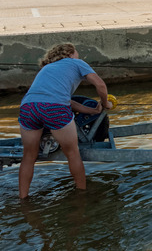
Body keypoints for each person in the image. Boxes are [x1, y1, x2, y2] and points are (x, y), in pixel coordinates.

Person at [18, 43, 111, 199]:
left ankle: (23, 199)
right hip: (54, 109)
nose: (78, 56)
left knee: (29, 156)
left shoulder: (47, 69)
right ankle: (82, 194)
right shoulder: (76, 63)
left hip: (28, 107)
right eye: (77, 53)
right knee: (72, 153)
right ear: (70, 54)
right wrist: (105, 102)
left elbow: (68, 102)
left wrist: (93, 110)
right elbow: (100, 84)